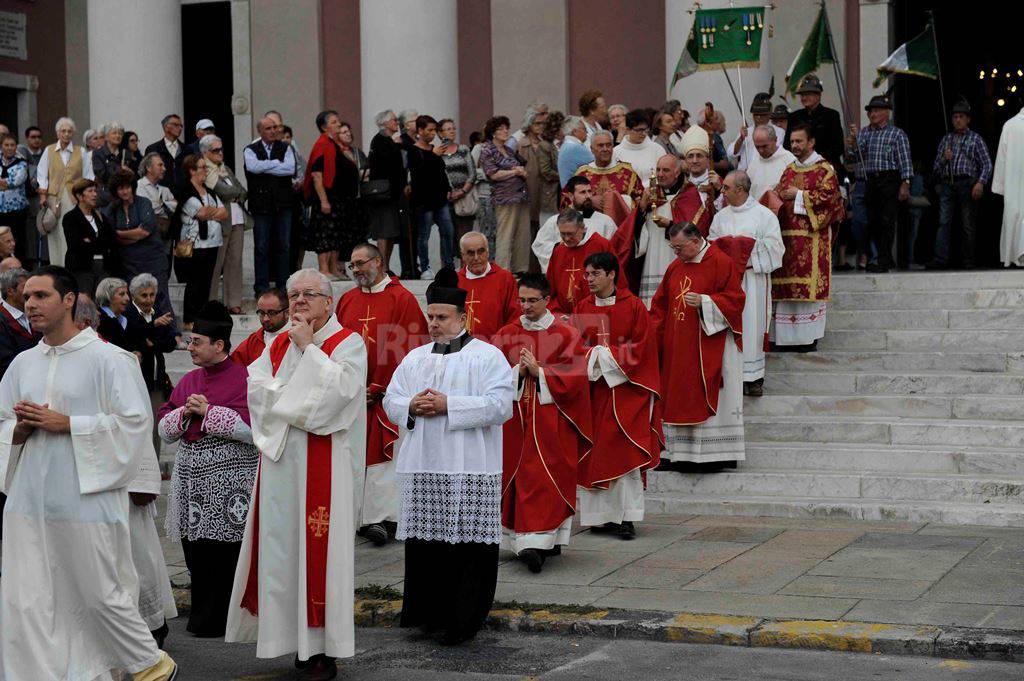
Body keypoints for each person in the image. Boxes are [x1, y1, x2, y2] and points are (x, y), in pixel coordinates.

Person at [0, 265, 178, 680]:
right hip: (29, 504)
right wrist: (19, 430)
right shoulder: (22, 365)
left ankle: (150, 665)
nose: (30, 304)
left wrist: (70, 425)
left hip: (87, 501)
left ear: (68, 300)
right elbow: (2, 423)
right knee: (30, 598)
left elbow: (135, 426)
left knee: (100, 594)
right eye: (27, 296)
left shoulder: (111, 361)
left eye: (41, 295)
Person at [226, 269, 366, 677]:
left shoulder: (348, 343)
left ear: (329, 302)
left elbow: (339, 399)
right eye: (294, 294)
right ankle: (289, 639)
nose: (300, 301)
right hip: (282, 466)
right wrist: (296, 394)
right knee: (283, 552)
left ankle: (322, 649)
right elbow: (256, 391)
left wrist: (309, 352)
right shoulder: (277, 344)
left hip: (326, 466)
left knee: (321, 557)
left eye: (309, 294)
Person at [383, 267, 514, 645]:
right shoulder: (415, 358)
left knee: (467, 549)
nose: (435, 324)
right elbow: (392, 400)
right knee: (428, 548)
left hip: (469, 465)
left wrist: (448, 406)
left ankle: (463, 621)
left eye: (442, 318)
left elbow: (500, 405)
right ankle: (427, 616)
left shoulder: (487, 357)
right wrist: (411, 405)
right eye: (431, 317)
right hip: (424, 463)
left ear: (463, 317)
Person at [159, 301, 258, 640]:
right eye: (190, 341)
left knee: (224, 553)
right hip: (191, 482)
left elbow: (255, 429)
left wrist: (210, 412)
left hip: (229, 484)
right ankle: (201, 616)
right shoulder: (189, 379)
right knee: (195, 550)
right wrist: (185, 414)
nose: (190, 348)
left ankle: (225, 618)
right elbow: (164, 424)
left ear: (219, 345)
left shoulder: (246, 378)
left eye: (196, 342)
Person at [492, 273, 590, 573]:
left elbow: (576, 376)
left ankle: (542, 542)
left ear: (547, 300)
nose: (526, 306)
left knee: (548, 477)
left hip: (551, 420)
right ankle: (527, 543)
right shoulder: (506, 333)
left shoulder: (565, 333)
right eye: (521, 300)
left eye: (533, 300)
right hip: (515, 423)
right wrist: (518, 374)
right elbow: (494, 375)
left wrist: (541, 371)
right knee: (518, 476)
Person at [335, 243, 425, 547]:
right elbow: (336, 346)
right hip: (352, 395)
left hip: (387, 394)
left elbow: (411, 348)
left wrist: (379, 387)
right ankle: (358, 516)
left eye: (361, 263)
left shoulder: (403, 299)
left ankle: (384, 517)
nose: (357, 270)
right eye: (352, 265)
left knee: (384, 458)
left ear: (380, 261)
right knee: (355, 454)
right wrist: (351, 386)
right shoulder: (347, 300)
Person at [572, 252, 661, 538]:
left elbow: (644, 348)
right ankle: (600, 518)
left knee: (625, 451)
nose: (590, 280)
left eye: (595, 274)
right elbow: (572, 349)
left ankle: (626, 518)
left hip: (626, 393)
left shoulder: (634, 306)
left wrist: (602, 355)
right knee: (595, 453)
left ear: (612, 275)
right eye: (587, 274)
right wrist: (593, 355)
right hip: (594, 393)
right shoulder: (583, 307)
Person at [649, 223, 746, 469]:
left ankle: (712, 456)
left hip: (710, 346)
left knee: (705, 394)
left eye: (679, 247)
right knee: (676, 397)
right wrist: (651, 338)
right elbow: (659, 307)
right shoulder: (675, 267)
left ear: (695, 240)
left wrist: (706, 302)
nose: (676, 253)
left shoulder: (720, 262)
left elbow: (736, 302)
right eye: (673, 248)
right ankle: (678, 454)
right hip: (677, 347)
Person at [610, 131, 718, 304]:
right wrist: (642, 209)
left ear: (677, 173)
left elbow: (697, 232)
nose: (660, 174)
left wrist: (670, 225)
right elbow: (632, 232)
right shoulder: (650, 193)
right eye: (658, 170)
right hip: (652, 258)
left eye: (665, 170)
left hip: (676, 257)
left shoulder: (689, 195)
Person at [708, 170, 784, 395]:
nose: (722, 191)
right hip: (726, 281)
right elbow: (711, 245)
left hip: (753, 280)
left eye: (726, 188)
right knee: (730, 327)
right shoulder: (720, 216)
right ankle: (731, 376)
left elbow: (776, 247)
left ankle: (754, 378)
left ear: (740, 190)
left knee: (752, 325)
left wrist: (741, 248)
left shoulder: (764, 215)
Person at [770, 123, 844, 352]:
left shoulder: (825, 170)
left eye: (799, 141)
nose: (795, 145)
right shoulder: (789, 169)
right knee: (785, 290)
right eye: (792, 142)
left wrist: (799, 195)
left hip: (812, 239)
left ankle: (807, 338)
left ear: (811, 142)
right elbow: (781, 194)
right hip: (788, 240)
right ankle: (783, 339)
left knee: (806, 292)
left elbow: (831, 199)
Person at [846, 95, 911, 273]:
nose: (872, 114)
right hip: (871, 180)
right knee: (872, 221)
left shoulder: (897, 134)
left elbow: (905, 161)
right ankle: (881, 257)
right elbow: (854, 158)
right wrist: (852, 144)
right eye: (870, 111)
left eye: (876, 111)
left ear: (885, 113)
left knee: (887, 220)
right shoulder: (865, 133)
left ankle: (883, 260)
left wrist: (905, 183)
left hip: (890, 179)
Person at [929, 99, 992, 270]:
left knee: (967, 224)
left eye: (961, 116)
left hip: (968, 183)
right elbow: (935, 167)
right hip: (948, 184)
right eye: (955, 117)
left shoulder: (976, 139)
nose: (957, 120)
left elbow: (986, 163)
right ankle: (940, 259)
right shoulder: (946, 139)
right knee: (943, 222)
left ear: (968, 119)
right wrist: (944, 158)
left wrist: (980, 182)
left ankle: (968, 260)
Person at [245, 115, 296, 295]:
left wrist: (265, 166)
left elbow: (290, 169)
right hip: (261, 206)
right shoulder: (250, 149)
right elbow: (253, 167)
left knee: (283, 246)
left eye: (275, 128)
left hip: (283, 205)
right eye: (268, 128)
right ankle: (261, 286)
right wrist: (275, 164)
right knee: (261, 247)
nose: (273, 131)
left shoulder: (286, 148)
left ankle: (283, 285)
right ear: (260, 131)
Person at [179, 154, 229, 327]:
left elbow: (224, 213)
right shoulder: (186, 191)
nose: (206, 171)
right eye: (202, 167)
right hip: (195, 244)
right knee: (195, 282)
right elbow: (199, 212)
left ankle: (201, 316)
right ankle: (189, 318)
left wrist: (209, 212)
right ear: (192, 170)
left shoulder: (209, 191)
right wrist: (211, 212)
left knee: (207, 281)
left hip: (213, 243)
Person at [125, 273, 176, 445]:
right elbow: (132, 337)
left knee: (156, 426)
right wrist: (152, 327)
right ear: (133, 295)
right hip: (136, 380)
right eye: (144, 295)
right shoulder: (128, 313)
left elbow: (169, 344)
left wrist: (151, 343)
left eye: (152, 295)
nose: (148, 299)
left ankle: (155, 470)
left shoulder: (159, 312)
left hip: (156, 379)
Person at [37, 117, 95, 266]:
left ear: (73, 133)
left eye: (69, 131)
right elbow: (42, 174)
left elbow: (88, 176)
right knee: (55, 232)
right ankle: (56, 265)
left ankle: (71, 264)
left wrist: (87, 195)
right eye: (63, 131)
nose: (66, 134)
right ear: (57, 133)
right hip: (54, 197)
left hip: (74, 197)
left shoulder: (80, 151)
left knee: (71, 230)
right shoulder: (49, 150)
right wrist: (43, 195)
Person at [200, 134, 248, 313]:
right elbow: (222, 191)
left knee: (235, 263)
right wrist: (234, 193)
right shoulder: (206, 169)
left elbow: (242, 191)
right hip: (220, 222)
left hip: (237, 219)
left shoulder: (224, 168)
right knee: (216, 265)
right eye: (215, 150)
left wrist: (235, 193)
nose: (220, 153)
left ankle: (233, 303)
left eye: (221, 149)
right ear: (205, 152)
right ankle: (212, 303)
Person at [303, 110, 353, 280]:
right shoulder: (322, 144)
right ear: (324, 127)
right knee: (325, 233)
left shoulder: (334, 144)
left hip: (337, 198)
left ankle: (334, 268)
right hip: (325, 198)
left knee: (336, 234)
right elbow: (317, 175)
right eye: (334, 122)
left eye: (338, 121)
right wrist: (324, 200)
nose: (338, 124)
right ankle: (324, 269)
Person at [533, 176, 617, 271]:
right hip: (564, 272)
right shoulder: (554, 221)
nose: (588, 196)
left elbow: (613, 250)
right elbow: (539, 245)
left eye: (589, 191)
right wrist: (559, 248)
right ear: (570, 196)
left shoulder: (605, 221)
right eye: (582, 192)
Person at [480, 116, 530, 273]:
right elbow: (493, 174)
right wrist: (514, 171)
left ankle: (520, 269)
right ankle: (504, 270)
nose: (505, 131)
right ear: (493, 132)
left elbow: (519, 168)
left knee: (522, 235)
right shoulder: (488, 150)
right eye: (501, 129)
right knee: (505, 234)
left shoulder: (509, 150)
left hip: (521, 196)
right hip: (504, 198)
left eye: (506, 128)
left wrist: (521, 171)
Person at [409, 115, 455, 279]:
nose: (433, 133)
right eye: (430, 130)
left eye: (435, 130)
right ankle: (425, 267)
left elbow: (440, 171)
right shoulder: (414, 150)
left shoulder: (435, 149)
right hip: (423, 201)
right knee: (424, 235)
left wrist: (448, 188)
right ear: (420, 131)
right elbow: (418, 174)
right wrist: (432, 155)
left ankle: (448, 266)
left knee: (448, 231)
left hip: (440, 199)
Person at [546, 208, 617, 314]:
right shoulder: (558, 251)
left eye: (570, 234)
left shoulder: (601, 245)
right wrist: (557, 314)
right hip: (563, 317)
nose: (566, 238)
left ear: (583, 228)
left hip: (595, 314)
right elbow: (550, 289)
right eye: (563, 234)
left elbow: (617, 282)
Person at [457, 231, 519, 341]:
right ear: (462, 255)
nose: (476, 258)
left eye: (481, 251)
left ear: (488, 252)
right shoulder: (455, 281)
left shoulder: (504, 279)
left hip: (496, 348)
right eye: (471, 253)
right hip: (461, 349)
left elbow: (514, 317)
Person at [570, 131, 644, 220]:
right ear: (592, 149)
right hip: (590, 226)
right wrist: (589, 201)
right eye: (600, 146)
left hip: (620, 227)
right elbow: (569, 202)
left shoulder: (627, 172)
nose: (605, 149)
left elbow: (639, 202)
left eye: (608, 145)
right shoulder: (582, 173)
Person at [784, 74, 845, 181]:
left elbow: (838, 147)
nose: (804, 98)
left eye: (808, 94)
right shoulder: (794, 117)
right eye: (802, 95)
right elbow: (787, 145)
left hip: (825, 168)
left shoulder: (831, 115)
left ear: (818, 95)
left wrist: (814, 160)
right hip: (800, 168)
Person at [367, 109, 407, 272]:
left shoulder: (390, 141)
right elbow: (386, 166)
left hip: (392, 194)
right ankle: (380, 266)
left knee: (391, 232)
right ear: (384, 123)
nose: (397, 122)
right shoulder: (380, 141)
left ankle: (386, 265)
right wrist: (397, 147)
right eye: (393, 120)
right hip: (383, 195)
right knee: (384, 231)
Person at [63, 178, 115, 294]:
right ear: (80, 196)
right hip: (82, 269)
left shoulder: (101, 217)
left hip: (103, 268)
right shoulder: (70, 218)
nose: (95, 194)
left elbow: (110, 240)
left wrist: (90, 241)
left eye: (95, 191)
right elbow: (75, 244)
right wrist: (98, 242)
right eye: (90, 191)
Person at [515, 110, 558, 251]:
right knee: (528, 226)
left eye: (543, 123)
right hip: (527, 187)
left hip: (545, 190)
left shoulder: (544, 143)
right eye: (537, 123)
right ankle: (528, 267)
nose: (540, 126)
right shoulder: (521, 144)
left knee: (543, 226)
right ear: (529, 124)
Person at [437, 119, 478, 254]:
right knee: (446, 234)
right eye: (448, 129)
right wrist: (447, 193)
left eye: (453, 128)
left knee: (464, 236)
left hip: (463, 197)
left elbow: (472, 173)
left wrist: (462, 191)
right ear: (440, 133)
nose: (452, 131)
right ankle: (447, 269)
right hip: (445, 199)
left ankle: (464, 269)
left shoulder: (463, 149)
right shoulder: (437, 152)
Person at [993, 101, 1024, 267]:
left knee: (1015, 215)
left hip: (1013, 182)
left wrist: (1000, 185)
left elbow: (1001, 158)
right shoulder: (1010, 125)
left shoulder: (1009, 126)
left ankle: (1014, 255)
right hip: (1016, 180)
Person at [232, 288, 291, 366]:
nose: (265, 319)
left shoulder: (298, 338)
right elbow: (233, 369)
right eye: (261, 313)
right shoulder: (253, 342)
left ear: (287, 313)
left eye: (272, 313)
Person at [728, 94, 786, 172]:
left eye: (762, 115)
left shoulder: (779, 132)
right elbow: (731, 154)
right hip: (744, 175)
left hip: (766, 172)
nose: (758, 118)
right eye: (755, 114)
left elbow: (775, 154)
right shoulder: (746, 131)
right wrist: (741, 139)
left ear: (770, 114)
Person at [0, 266, 38, 378]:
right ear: (10, 291)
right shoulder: (2, 320)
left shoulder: (34, 314)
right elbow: (6, 363)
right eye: (25, 287)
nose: (30, 292)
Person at [612, 110, 663, 189]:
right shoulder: (616, 152)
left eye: (645, 129)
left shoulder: (657, 149)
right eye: (639, 130)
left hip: (653, 192)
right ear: (628, 129)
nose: (643, 133)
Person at [745, 125, 796, 202]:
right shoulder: (754, 162)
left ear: (775, 140)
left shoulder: (789, 160)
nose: (761, 151)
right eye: (757, 147)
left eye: (764, 146)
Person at [144, 114, 186, 197]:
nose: (180, 128)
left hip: (184, 195)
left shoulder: (187, 149)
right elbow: (146, 173)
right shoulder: (153, 149)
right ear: (166, 127)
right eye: (176, 125)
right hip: (159, 195)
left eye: (181, 126)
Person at [0, 136, 29, 245]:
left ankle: (18, 262)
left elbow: (16, 181)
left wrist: (6, 184)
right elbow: (10, 183)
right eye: (6, 145)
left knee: (17, 240)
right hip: (0, 210)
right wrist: (7, 184)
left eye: (12, 145)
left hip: (16, 211)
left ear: (16, 147)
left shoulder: (22, 163)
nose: (9, 148)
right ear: (1, 146)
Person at [93, 121, 130, 204]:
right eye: (114, 133)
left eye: (120, 133)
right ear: (106, 137)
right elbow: (102, 175)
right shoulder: (98, 153)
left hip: (123, 196)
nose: (118, 136)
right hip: (105, 197)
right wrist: (121, 170)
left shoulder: (125, 153)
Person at [557, 116, 595, 188]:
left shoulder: (566, 145)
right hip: (575, 193)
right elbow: (599, 162)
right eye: (584, 129)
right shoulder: (574, 147)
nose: (587, 132)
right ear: (574, 131)